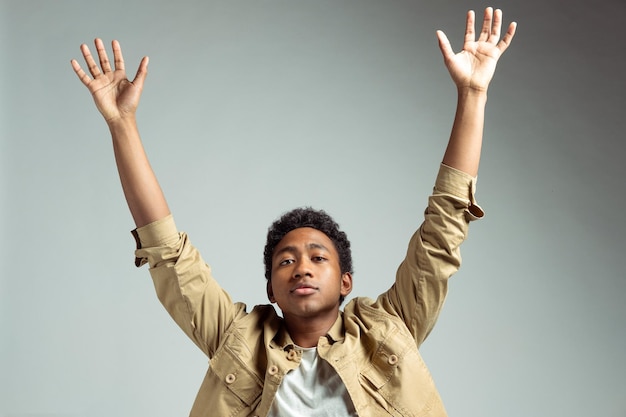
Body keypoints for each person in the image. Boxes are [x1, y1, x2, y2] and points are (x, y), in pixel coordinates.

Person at [71, 7, 516, 417]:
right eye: (286, 260)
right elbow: (167, 253)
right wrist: (121, 124)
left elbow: (443, 227)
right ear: (271, 287)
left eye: (318, 257)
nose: (302, 268)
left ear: (346, 282)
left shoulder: (390, 329)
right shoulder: (238, 341)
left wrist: (473, 94)